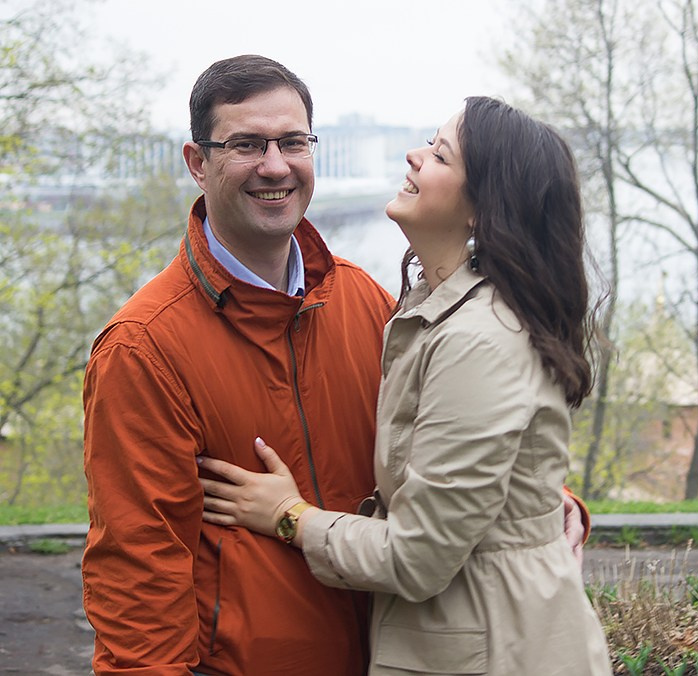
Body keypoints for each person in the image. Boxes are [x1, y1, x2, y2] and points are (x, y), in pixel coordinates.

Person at [81, 55, 587, 676]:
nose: (275, 165)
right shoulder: (144, 348)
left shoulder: (360, 301)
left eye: (293, 142)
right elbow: (137, 576)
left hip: (393, 653)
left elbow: (448, 439)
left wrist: (536, 496)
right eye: (247, 145)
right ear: (197, 162)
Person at [199, 96, 613, 675]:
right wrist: (539, 500)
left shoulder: (477, 337)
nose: (414, 156)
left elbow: (419, 556)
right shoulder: (428, 312)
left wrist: (289, 517)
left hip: (496, 651)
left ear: (483, 209)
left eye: (440, 155)